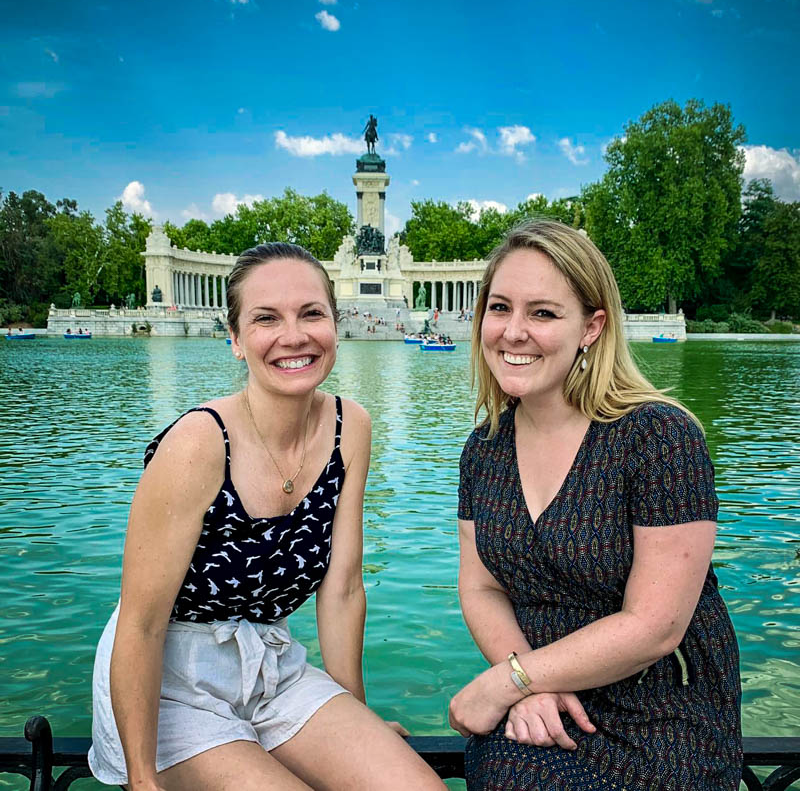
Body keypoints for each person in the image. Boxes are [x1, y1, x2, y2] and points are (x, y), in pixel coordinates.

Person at [89, 242, 445, 791]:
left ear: (335, 322)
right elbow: (141, 624)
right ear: (234, 340)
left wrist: (355, 714)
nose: (294, 335)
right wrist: (142, 779)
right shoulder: (196, 443)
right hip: (167, 682)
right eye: (265, 319)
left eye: (311, 313)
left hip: (270, 664)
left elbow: (344, 587)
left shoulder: (352, 426)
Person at [448, 220, 742, 791]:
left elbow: (655, 627)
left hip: (661, 710)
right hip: (542, 700)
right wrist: (528, 681)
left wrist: (508, 682)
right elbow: (480, 586)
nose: (513, 332)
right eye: (500, 307)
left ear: (592, 326)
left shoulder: (659, 436)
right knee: (511, 774)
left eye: (543, 313)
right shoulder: (483, 448)